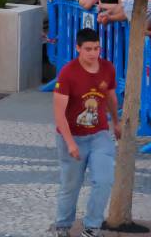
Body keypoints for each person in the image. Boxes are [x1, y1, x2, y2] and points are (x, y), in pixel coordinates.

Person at [52, 28, 120, 237]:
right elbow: (59, 114)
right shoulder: (68, 73)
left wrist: (116, 122)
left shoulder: (107, 68)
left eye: (96, 48)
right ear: (78, 48)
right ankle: (63, 226)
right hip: (72, 136)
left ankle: (91, 227)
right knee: (70, 186)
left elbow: (110, 96)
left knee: (104, 181)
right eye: (88, 49)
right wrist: (70, 143)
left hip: (99, 134)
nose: (93, 53)